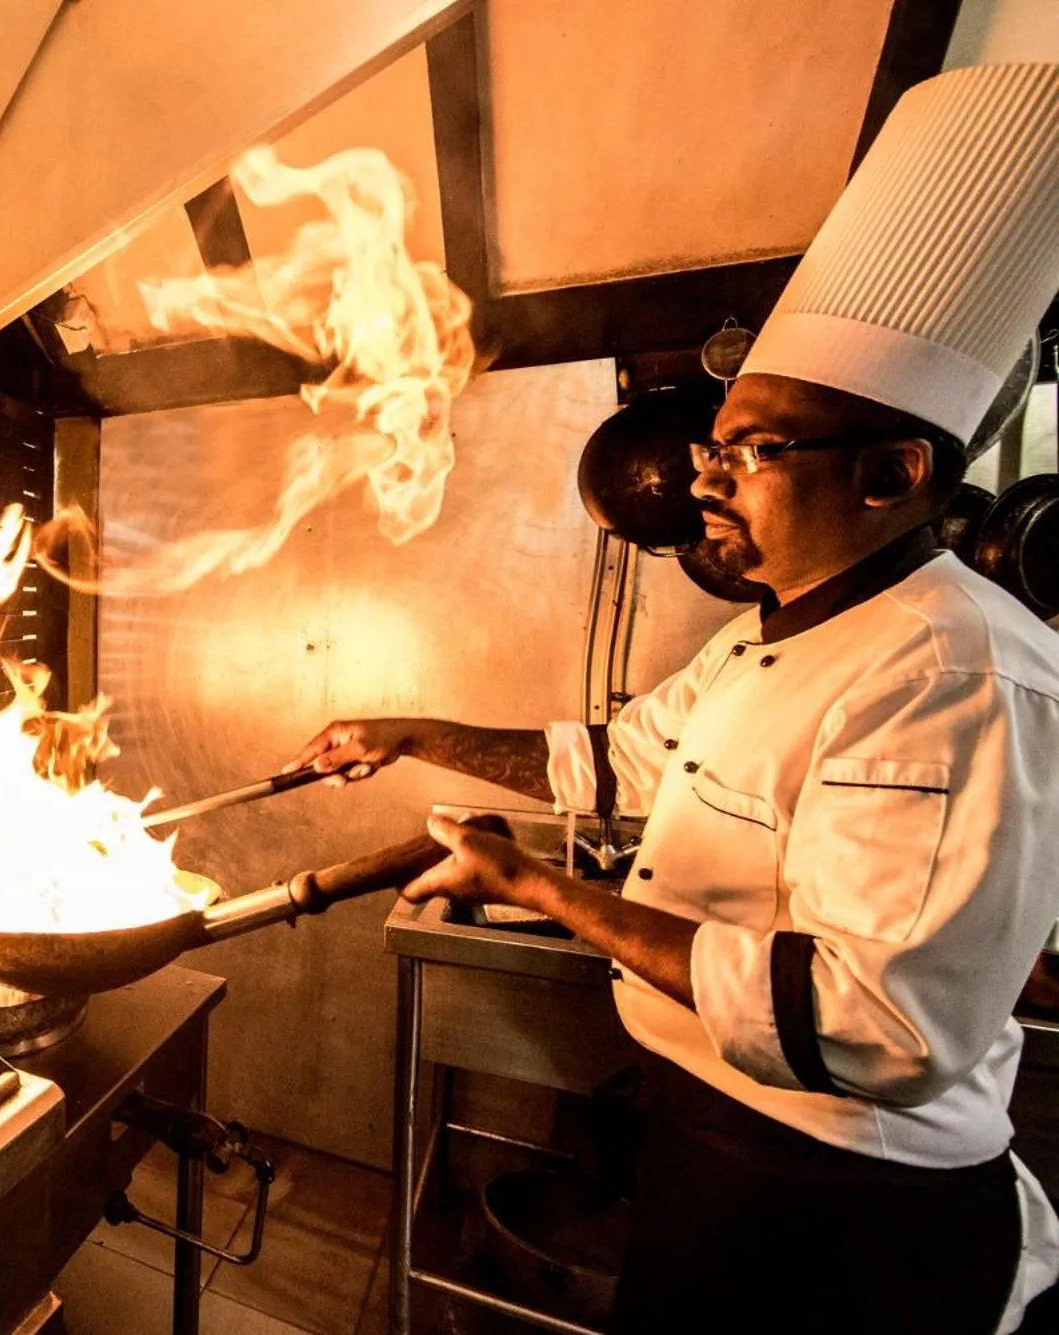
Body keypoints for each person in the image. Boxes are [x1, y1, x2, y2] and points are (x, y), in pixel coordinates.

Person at [289, 63, 1059, 1334]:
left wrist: (536, 887)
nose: (706, 483)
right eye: (713, 448)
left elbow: (857, 1022)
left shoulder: (952, 669)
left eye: (749, 452)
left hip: (836, 1213)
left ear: (889, 471)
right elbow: (614, 766)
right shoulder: (776, 636)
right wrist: (409, 732)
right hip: (719, 1144)